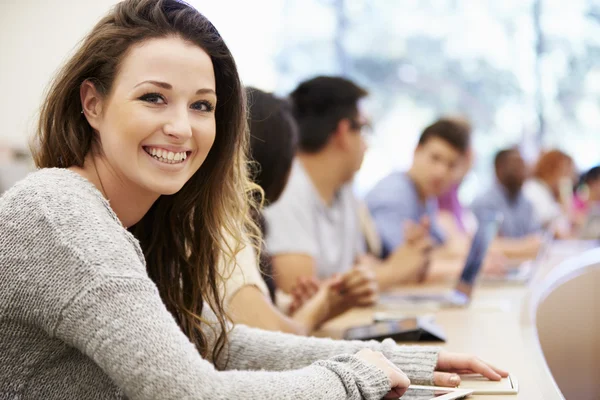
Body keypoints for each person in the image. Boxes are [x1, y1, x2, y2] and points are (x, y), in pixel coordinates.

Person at [0, 0, 507, 398]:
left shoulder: (146, 220)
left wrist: (394, 361)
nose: (181, 127)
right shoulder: (59, 214)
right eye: (153, 97)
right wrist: (354, 379)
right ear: (93, 103)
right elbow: (189, 391)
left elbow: (219, 344)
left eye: (202, 105)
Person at [263, 76, 433, 305]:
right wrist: (394, 271)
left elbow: (361, 268)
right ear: (343, 131)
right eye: (364, 129)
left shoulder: (344, 189)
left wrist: (411, 258)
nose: (367, 144)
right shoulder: (288, 187)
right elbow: (298, 293)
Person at [222, 87, 348, 334]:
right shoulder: (224, 231)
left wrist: (285, 307)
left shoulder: (249, 221)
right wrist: (320, 305)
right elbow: (272, 340)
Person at [366, 117, 471, 260]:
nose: (441, 172)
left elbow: (440, 245)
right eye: (435, 158)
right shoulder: (393, 194)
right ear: (417, 151)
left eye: (451, 165)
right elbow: (405, 262)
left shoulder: (425, 196)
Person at [470, 148, 542, 259]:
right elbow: (487, 247)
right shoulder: (484, 202)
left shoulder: (526, 204)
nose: (521, 170)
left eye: (522, 165)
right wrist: (525, 246)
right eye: (514, 165)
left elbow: (536, 239)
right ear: (498, 168)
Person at [523, 149, 576, 235]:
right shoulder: (533, 189)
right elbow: (546, 224)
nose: (567, 177)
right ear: (551, 168)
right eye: (565, 172)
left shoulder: (548, 192)